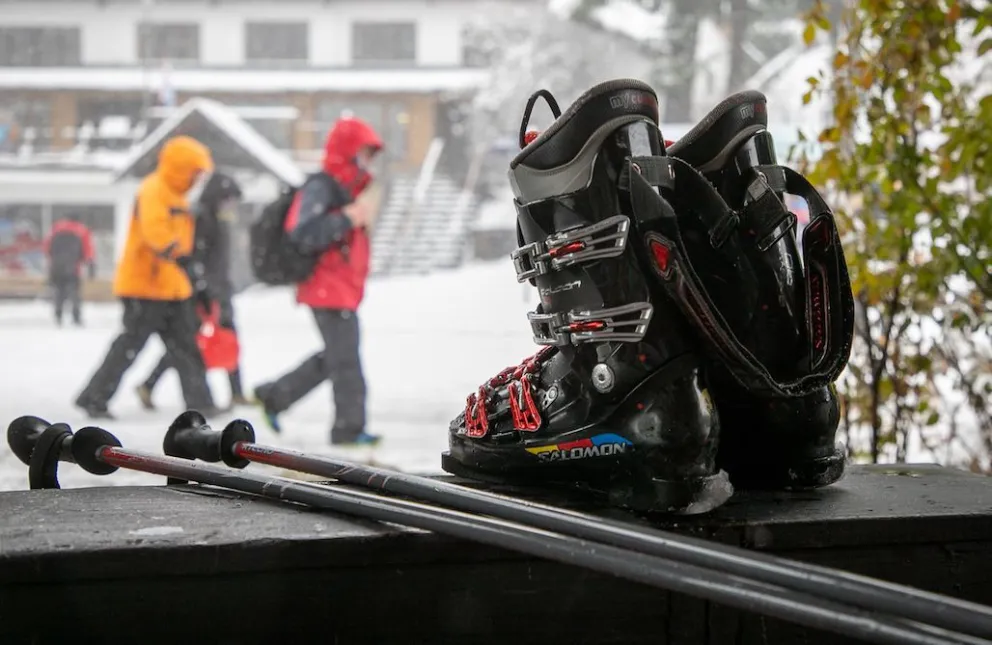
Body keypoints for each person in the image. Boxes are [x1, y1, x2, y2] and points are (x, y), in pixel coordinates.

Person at [254, 117, 382, 446]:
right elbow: (303, 232)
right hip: (326, 288)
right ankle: (348, 430)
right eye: (363, 153)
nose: (367, 161)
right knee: (346, 362)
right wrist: (347, 218)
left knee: (337, 357)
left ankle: (275, 395)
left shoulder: (346, 189)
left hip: (339, 288)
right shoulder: (323, 187)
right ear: (347, 151)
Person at [74, 135, 220, 420]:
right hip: (145, 286)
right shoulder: (153, 190)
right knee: (130, 346)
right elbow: (156, 233)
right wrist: (182, 258)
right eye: (195, 172)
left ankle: (202, 403)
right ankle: (94, 398)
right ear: (181, 168)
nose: (197, 179)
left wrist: (191, 276)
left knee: (186, 346)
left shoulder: (178, 196)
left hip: (172, 287)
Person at [136, 171, 250, 411]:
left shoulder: (217, 218)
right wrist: (204, 287)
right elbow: (196, 257)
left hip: (218, 288)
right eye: (228, 200)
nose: (231, 206)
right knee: (188, 344)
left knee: (221, 339)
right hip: (205, 292)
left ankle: (236, 392)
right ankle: (149, 384)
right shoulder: (202, 219)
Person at [42, 214, 95, 327]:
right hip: (73, 268)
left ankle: (58, 315)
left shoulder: (56, 228)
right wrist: (90, 265)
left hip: (56, 267)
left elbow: (46, 247)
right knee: (74, 293)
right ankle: (76, 317)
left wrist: (52, 261)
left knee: (59, 291)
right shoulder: (82, 230)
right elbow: (88, 249)